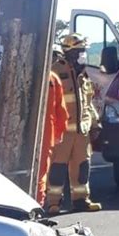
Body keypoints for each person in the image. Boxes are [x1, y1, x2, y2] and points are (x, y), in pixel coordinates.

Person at [46, 33, 102, 214]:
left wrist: (95, 123)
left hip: (81, 132)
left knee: (82, 167)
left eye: (84, 51)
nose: (83, 54)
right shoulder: (55, 72)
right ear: (69, 52)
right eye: (80, 51)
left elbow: (87, 103)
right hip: (62, 133)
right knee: (57, 168)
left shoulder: (83, 75)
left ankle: (81, 200)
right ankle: (53, 202)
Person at [37, 48, 69, 206]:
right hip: (46, 134)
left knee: (39, 173)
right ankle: (36, 205)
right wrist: (58, 133)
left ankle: (36, 205)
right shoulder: (51, 78)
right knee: (40, 173)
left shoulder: (51, 78)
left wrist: (58, 133)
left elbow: (61, 111)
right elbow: (61, 112)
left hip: (44, 134)